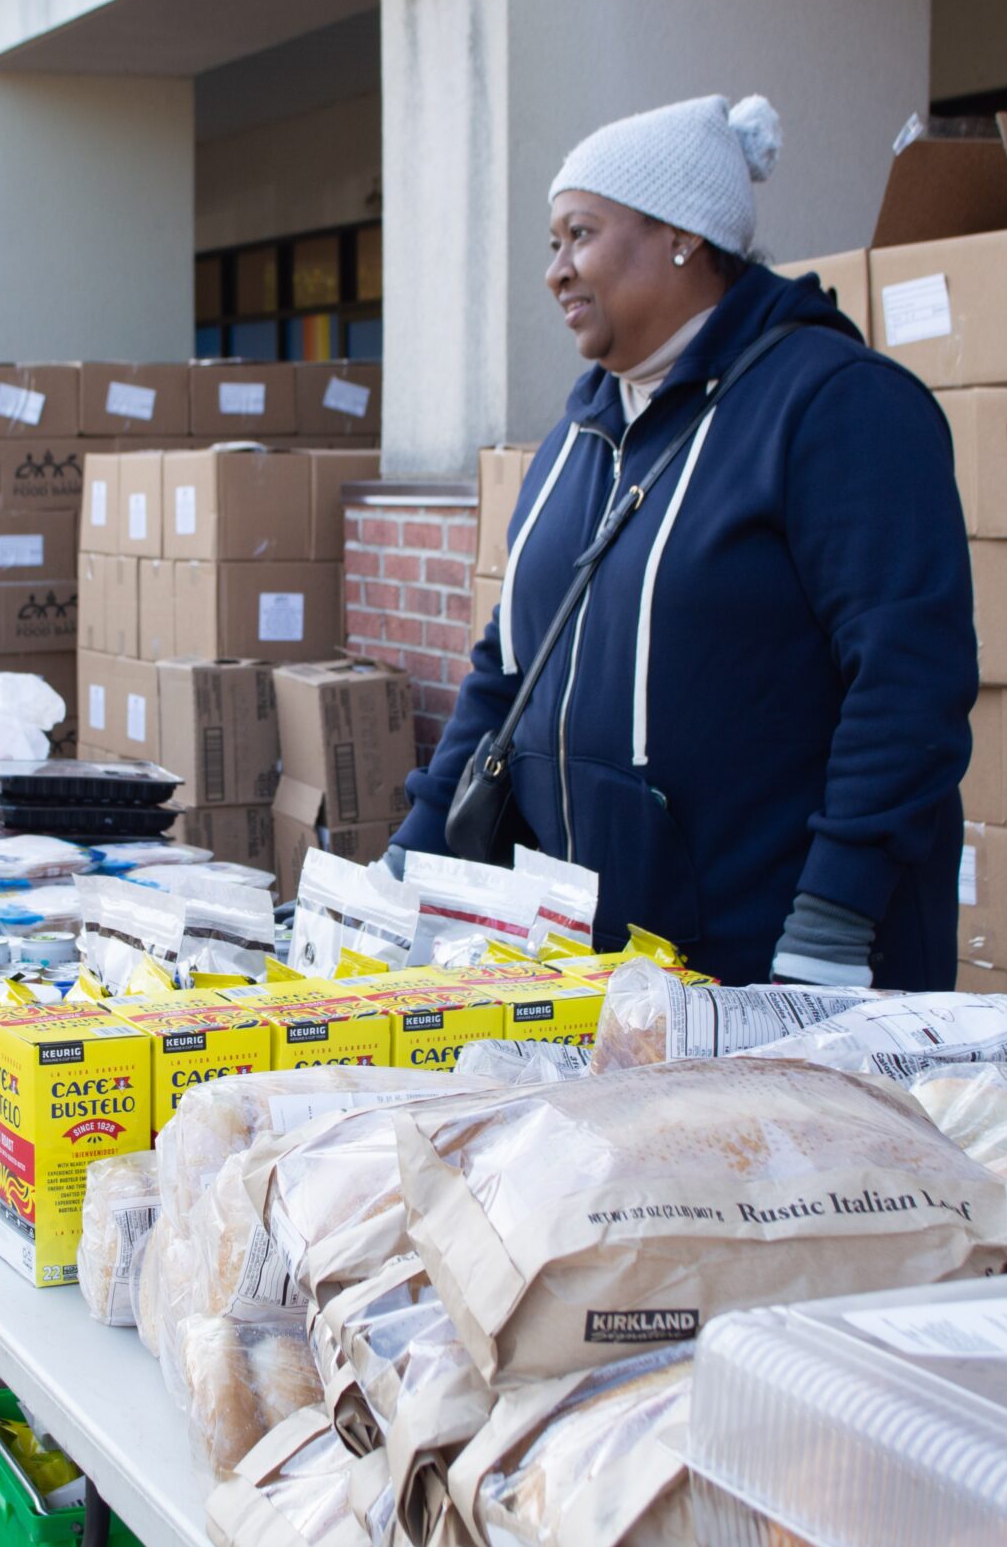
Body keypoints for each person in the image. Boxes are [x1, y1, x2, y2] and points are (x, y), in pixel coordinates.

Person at [394, 95, 974, 989]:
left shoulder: (835, 407)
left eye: (579, 234)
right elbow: (504, 675)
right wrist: (408, 872)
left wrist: (831, 928)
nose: (557, 271)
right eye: (552, 244)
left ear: (681, 234)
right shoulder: (579, 438)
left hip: (782, 980)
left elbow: (908, 685)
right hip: (600, 982)